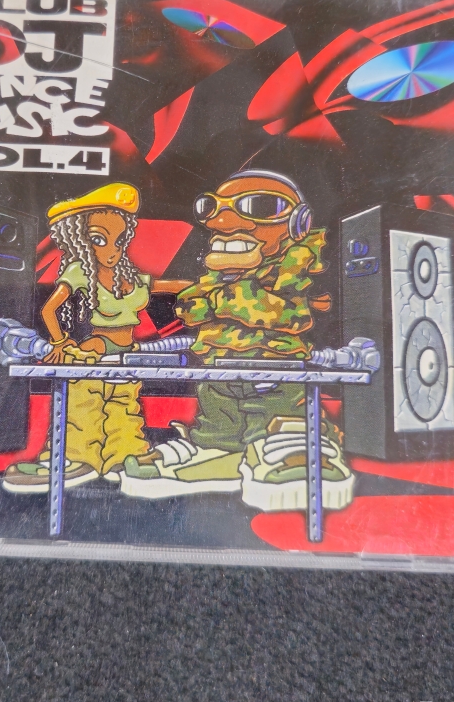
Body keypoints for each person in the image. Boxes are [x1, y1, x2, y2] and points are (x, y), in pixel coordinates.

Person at [120, 169, 355, 512]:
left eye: (258, 206)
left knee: (278, 415)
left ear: (298, 223)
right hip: (218, 374)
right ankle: (219, 450)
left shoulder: (290, 271)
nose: (222, 222)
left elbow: (284, 313)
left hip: (273, 374)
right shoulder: (213, 281)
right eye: (211, 207)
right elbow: (192, 309)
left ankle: (293, 445)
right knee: (217, 423)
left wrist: (219, 301)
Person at [2, 182, 190, 493]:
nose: (112, 250)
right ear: (79, 239)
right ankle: (74, 458)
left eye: (119, 240)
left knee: (123, 407)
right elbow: (50, 310)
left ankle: (124, 457)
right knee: (85, 404)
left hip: (127, 353)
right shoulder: (79, 272)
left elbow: (164, 286)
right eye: (99, 240)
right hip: (95, 350)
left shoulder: (128, 277)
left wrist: (204, 286)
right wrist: (59, 342)